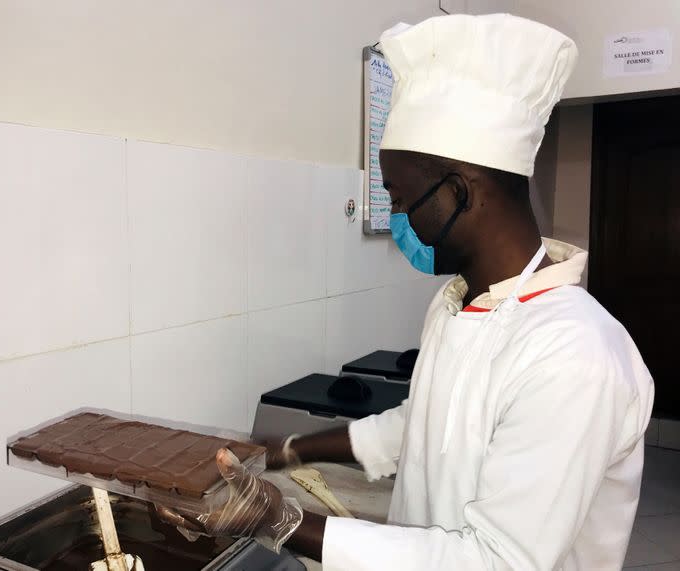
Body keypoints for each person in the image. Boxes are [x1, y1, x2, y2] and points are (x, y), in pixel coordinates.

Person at [157, 13, 654, 570]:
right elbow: (417, 426)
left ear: (461, 193)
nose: (396, 217)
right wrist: (282, 452)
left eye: (399, 195)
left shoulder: (575, 356)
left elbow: (499, 561)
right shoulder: (457, 308)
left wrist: (281, 521)